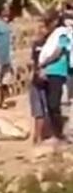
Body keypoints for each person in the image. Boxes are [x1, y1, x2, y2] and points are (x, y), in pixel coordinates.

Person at [39, 12, 71, 141]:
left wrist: (44, 62)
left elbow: (58, 50)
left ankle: (59, 133)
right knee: (51, 104)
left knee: (54, 104)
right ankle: (55, 132)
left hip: (57, 71)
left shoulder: (63, 33)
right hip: (51, 71)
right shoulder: (56, 34)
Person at [30, 20, 51, 144]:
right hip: (37, 80)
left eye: (43, 27)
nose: (40, 30)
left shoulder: (54, 45)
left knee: (49, 109)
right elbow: (34, 62)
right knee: (38, 110)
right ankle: (37, 136)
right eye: (39, 27)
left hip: (50, 80)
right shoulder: (36, 44)